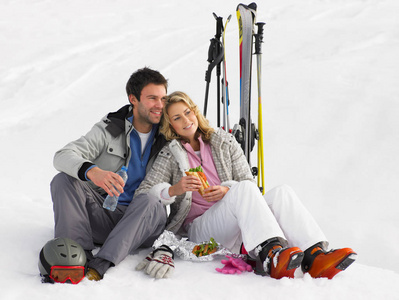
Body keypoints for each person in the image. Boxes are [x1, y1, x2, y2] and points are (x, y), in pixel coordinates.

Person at [134, 91, 357, 279]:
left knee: (282, 192)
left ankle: (315, 256)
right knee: (243, 190)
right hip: (200, 231)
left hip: (237, 222)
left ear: (195, 111)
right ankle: (271, 256)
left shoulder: (223, 141)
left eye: (187, 113)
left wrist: (225, 190)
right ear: (170, 125)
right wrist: (175, 189)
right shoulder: (170, 154)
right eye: (177, 118)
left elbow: (248, 184)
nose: (186, 121)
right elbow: (144, 193)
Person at [50, 67, 171, 281]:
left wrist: (168, 244)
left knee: (151, 200)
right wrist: (93, 172)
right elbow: (62, 155)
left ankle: (102, 263)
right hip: (106, 213)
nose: (160, 105)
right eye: (152, 98)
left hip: (143, 224)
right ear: (133, 99)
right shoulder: (110, 128)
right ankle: (76, 255)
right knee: (63, 180)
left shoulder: (170, 134)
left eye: (163, 98)